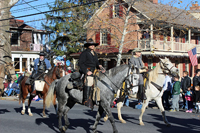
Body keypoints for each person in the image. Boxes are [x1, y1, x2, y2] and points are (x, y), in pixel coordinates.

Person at [78, 38, 105, 109]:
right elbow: (80, 63)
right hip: (87, 71)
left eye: (93, 45)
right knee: (89, 82)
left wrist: (100, 66)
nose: (93, 46)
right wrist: (87, 71)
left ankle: (97, 98)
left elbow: (97, 63)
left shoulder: (94, 53)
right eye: (91, 45)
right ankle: (86, 99)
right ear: (88, 46)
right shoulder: (84, 53)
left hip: (94, 71)